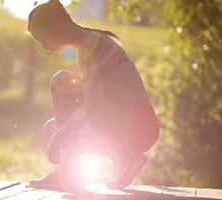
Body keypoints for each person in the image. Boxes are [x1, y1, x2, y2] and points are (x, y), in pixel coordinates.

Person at [27, 0, 160, 189]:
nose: (45, 48)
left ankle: (125, 156)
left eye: (43, 40)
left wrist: (60, 139)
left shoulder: (91, 44)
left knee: (61, 83)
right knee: (52, 128)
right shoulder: (86, 42)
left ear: (56, 25)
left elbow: (92, 107)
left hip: (138, 127)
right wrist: (60, 135)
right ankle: (69, 171)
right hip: (125, 123)